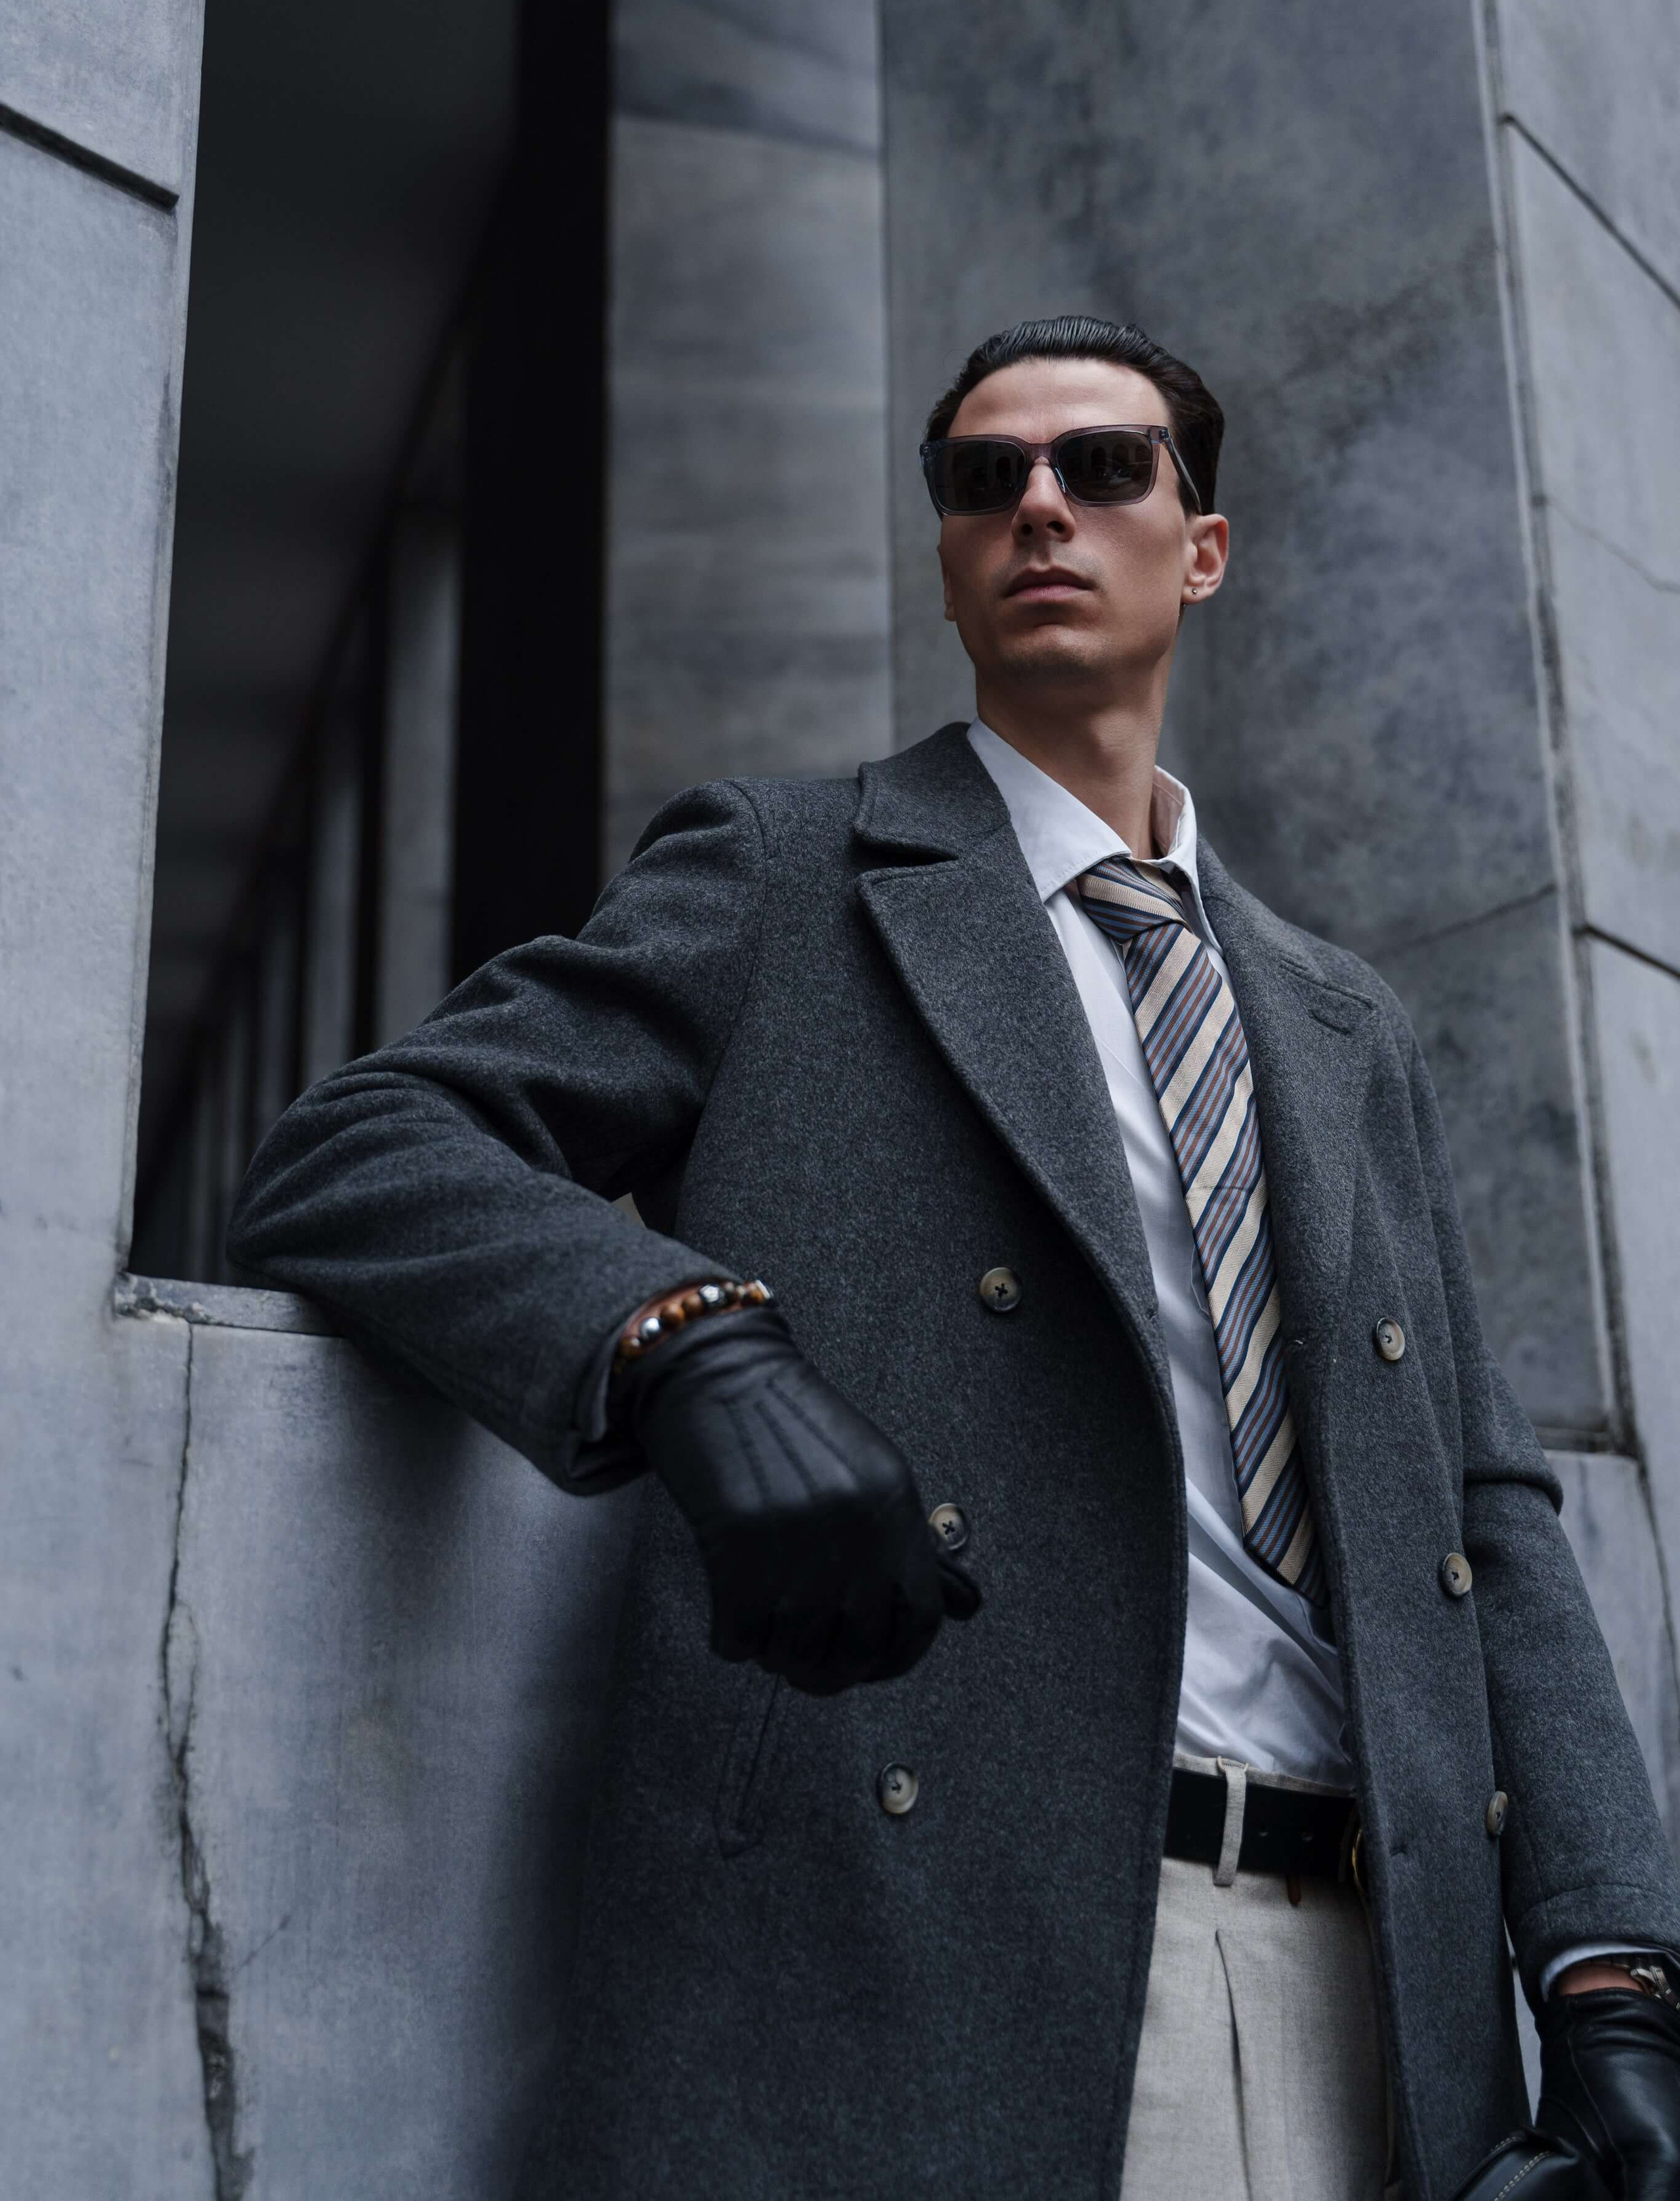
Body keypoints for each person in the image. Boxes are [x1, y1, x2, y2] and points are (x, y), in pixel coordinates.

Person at [229, 314, 1680, 2199]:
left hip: (1383, 1994)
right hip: (956, 1955)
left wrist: (1612, 1973)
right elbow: (360, 1148)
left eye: (1104, 468)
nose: (1041, 510)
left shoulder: (1342, 1022)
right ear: (946, 556)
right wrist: (684, 1342)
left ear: (1204, 542)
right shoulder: (788, 877)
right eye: (985, 481)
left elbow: (1479, 1510)